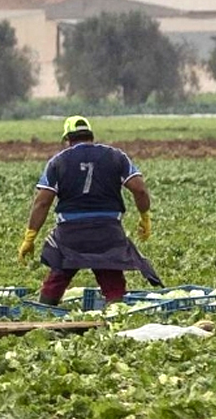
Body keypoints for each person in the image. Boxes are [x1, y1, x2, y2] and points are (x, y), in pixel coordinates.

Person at [17, 115, 162, 306]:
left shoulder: (58, 162)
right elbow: (139, 189)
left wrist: (30, 236)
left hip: (70, 233)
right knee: (110, 271)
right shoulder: (116, 156)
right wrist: (145, 217)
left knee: (59, 271)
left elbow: (42, 202)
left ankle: (44, 312)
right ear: (91, 136)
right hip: (107, 232)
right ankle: (116, 313)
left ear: (67, 140)